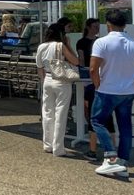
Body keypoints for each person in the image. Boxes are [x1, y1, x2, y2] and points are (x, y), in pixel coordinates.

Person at [91, 10, 134, 178]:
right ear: (125, 25)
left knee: (97, 121)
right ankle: (123, 163)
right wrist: (132, 84)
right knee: (125, 127)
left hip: (107, 90)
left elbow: (93, 68)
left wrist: (97, 85)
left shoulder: (101, 43)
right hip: (128, 92)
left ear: (108, 25)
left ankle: (110, 156)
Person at [35, 23, 79, 157]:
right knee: (61, 113)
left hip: (47, 80)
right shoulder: (60, 46)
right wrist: (69, 45)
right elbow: (76, 61)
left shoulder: (41, 47)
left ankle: (47, 144)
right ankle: (58, 148)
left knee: (47, 113)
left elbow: (39, 67)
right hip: (61, 81)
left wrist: (44, 81)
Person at [76, 18, 112, 160]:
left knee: (95, 110)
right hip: (88, 75)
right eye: (95, 26)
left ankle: (98, 142)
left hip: (98, 76)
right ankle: (99, 140)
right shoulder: (82, 42)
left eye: (98, 26)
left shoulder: (100, 41)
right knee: (89, 107)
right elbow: (81, 59)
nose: (97, 28)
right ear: (89, 27)